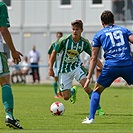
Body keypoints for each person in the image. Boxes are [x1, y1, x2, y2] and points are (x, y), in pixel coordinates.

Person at [82, 10, 133, 124]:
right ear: (113, 20)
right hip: (127, 64)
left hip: (111, 67)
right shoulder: (124, 30)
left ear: (102, 22)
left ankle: (91, 118)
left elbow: (93, 58)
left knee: (96, 91)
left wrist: (89, 78)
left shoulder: (99, 35)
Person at [48, 20, 105, 115]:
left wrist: (103, 68)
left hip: (76, 67)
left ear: (81, 30)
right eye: (73, 29)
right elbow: (54, 52)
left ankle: (99, 109)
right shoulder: (64, 40)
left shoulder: (84, 43)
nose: (75, 31)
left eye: (77, 29)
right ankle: (72, 91)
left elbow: (93, 57)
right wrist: (50, 68)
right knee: (65, 97)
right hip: (64, 70)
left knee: (86, 86)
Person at [0, 2, 23, 129]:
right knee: (5, 81)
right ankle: (9, 116)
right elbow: (3, 29)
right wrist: (13, 50)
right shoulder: (1, 5)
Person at [48, 32, 63, 98]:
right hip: (56, 65)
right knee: (56, 79)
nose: (59, 37)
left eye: (61, 36)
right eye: (58, 36)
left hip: (62, 65)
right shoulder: (53, 44)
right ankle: (56, 94)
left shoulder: (64, 44)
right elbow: (49, 53)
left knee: (62, 79)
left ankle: (60, 92)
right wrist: (49, 61)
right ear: (57, 36)